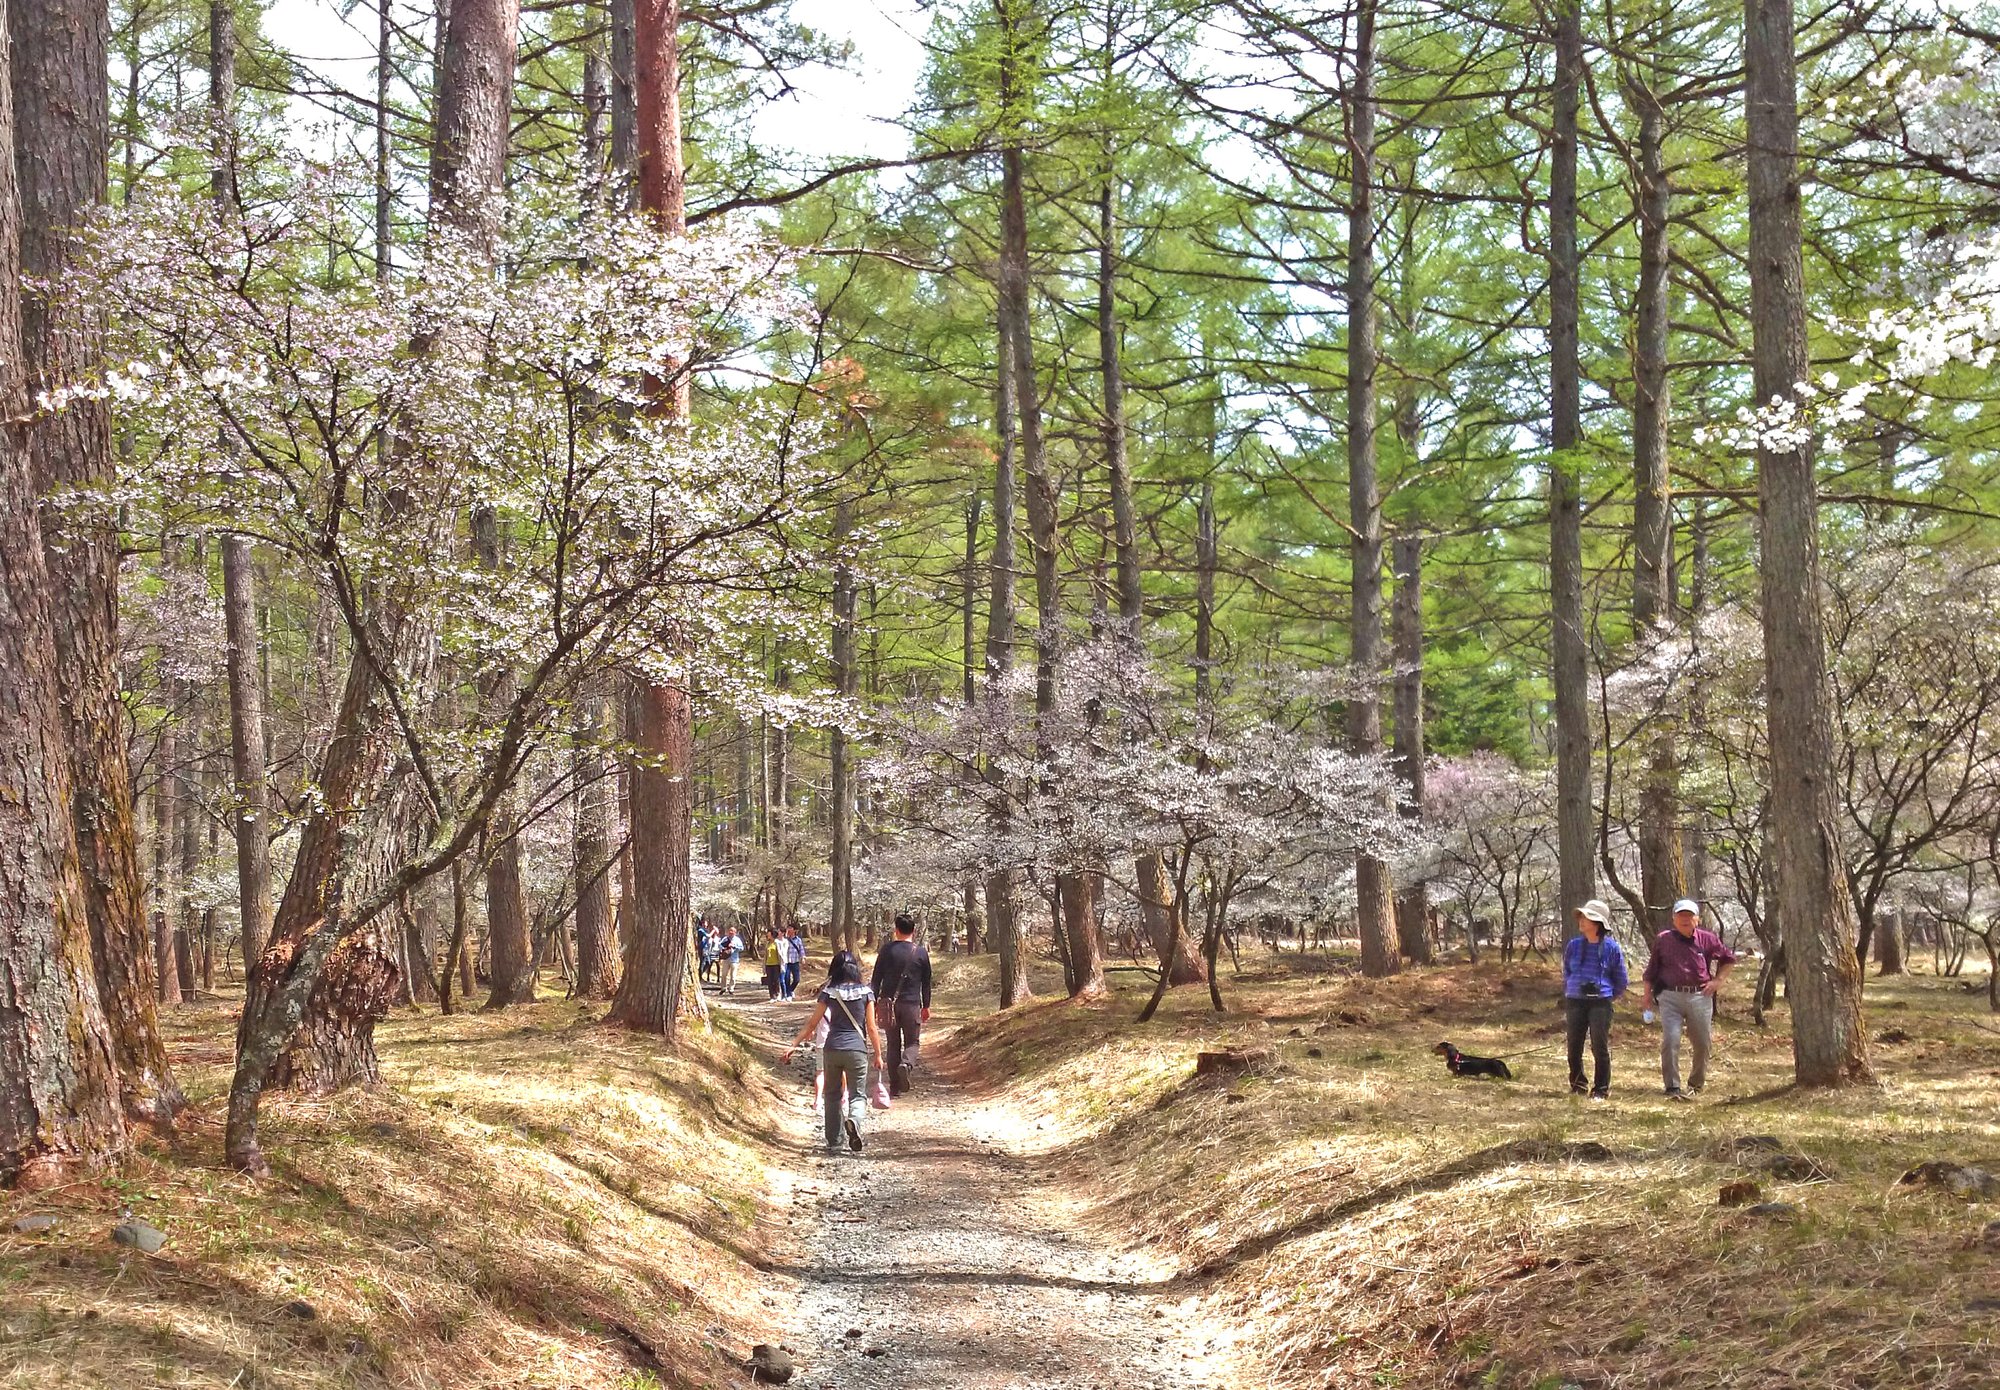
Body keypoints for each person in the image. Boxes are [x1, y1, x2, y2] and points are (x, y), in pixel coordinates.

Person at [781, 951, 883, 1153]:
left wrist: (793, 1045)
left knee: (832, 1095)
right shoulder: (866, 993)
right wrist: (878, 1054)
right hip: (856, 1049)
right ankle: (854, 1120)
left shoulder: (829, 993)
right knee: (857, 1095)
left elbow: (812, 1024)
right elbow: (872, 1028)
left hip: (832, 1048)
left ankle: (834, 1141)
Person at [1641, 898, 1738, 1100]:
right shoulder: (1663, 939)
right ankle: (1672, 1087)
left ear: (1697, 919)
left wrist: (1718, 981)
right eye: (1681, 916)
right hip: (1670, 996)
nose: (1685, 919)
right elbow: (1651, 970)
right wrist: (1647, 996)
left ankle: (1696, 1084)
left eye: (1689, 916)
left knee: (1702, 1042)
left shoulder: (1707, 939)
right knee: (1671, 1039)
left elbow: (1728, 959)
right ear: (1674, 919)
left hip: (1699, 996)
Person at [1562, 899, 1629, 1101]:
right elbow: (1567, 971)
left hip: (1600, 1003)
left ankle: (1601, 1088)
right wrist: (1573, 987)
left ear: (1598, 923)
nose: (1582, 921)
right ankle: (1578, 1084)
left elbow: (1621, 980)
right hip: (1575, 1001)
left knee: (1599, 1046)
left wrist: (1606, 994)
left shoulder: (1611, 948)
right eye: (1581, 917)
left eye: (1587, 917)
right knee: (1574, 1044)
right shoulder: (1573, 946)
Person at [870, 911, 932, 1096]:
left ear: (896, 930)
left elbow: (876, 979)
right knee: (912, 1042)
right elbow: (926, 982)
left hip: (888, 1004)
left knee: (893, 1043)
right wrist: (926, 1006)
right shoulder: (921, 953)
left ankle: (895, 1088)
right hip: (912, 1004)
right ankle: (906, 1064)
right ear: (914, 930)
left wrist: (873, 1002)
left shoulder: (886, 950)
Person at [720, 925, 744, 995]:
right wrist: (724, 948)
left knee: (733, 976)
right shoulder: (725, 938)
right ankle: (723, 988)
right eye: (730, 931)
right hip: (726, 959)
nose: (730, 932)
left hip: (734, 960)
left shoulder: (737, 940)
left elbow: (742, 948)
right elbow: (719, 945)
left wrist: (734, 946)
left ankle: (731, 989)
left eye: (732, 931)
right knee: (724, 974)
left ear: (735, 933)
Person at [782, 925, 804, 1001]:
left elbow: (801, 949)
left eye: (790, 928)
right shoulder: (785, 940)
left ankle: (791, 990)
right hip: (786, 962)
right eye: (788, 928)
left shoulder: (798, 940)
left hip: (795, 961)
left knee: (796, 979)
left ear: (794, 930)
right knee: (786, 978)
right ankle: (788, 995)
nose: (789, 930)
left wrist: (803, 957)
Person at [764, 931, 785, 1000]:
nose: (767, 935)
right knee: (770, 981)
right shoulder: (768, 944)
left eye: (769, 934)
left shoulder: (778, 943)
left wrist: (782, 964)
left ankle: (777, 994)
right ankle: (772, 996)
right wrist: (764, 966)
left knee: (776, 980)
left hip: (776, 964)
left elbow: (781, 954)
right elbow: (765, 956)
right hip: (768, 964)